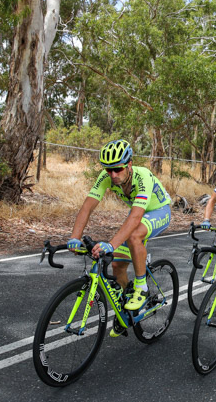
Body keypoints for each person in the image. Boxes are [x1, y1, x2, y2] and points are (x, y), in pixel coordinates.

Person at [67, 139, 172, 335]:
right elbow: (87, 206)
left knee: (134, 236)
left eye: (118, 169)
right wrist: (74, 237)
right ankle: (125, 308)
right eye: (108, 170)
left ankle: (141, 287)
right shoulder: (106, 176)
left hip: (159, 211)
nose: (113, 175)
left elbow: (135, 216)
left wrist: (111, 244)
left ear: (129, 164)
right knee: (117, 266)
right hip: (139, 217)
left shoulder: (142, 177)